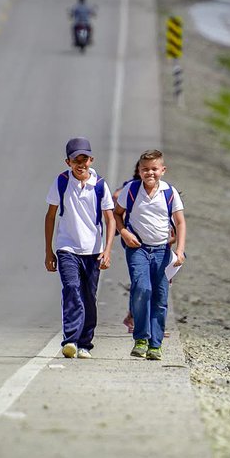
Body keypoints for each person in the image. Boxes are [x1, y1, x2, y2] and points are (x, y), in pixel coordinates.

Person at [44, 137, 115, 358]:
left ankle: (85, 343)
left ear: (91, 159)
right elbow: (50, 216)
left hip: (93, 250)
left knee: (88, 297)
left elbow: (110, 220)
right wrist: (49, 251)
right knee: (71, 289)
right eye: (76, 160)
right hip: (67, 248)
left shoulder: (100, 185)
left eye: (85, 159)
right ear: (68, 162)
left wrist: (107, 250)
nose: (81, 164)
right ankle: (71, 339)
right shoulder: (61, 182)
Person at [114, 149, 186, 361]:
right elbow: (117, 214)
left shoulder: (169, 192)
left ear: (162, 170)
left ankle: (156, 345)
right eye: (145, 169)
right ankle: (141, 339)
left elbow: (180, 222)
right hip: (138, 249)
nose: (150, 173)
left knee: (160, 297)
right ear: (139, 170)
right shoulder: (132, 189)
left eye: (154, 169)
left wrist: (179, 250)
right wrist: (125, 233)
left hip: (162, 251)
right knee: (142, 289)